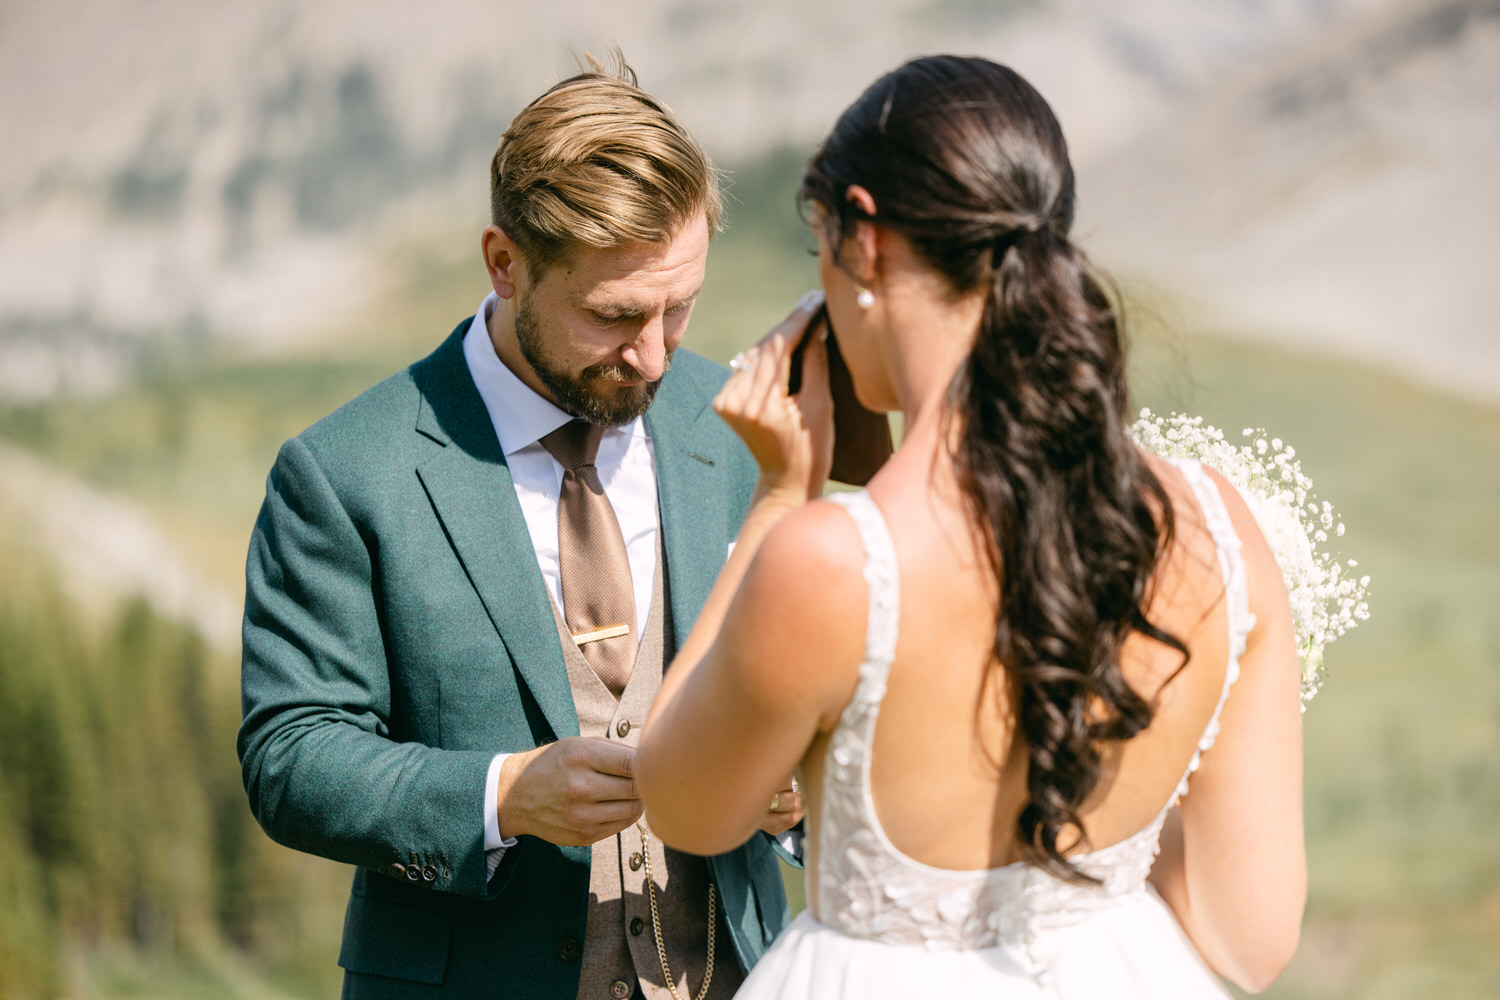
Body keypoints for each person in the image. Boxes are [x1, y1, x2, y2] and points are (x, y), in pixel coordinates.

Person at [634, 55, 1306, 997]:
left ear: (862, 240)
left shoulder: (833, 561)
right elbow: (1249, 939)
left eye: (821, 244)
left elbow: (683, 805)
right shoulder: (1218, 529)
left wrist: (783, 495)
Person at [237, 56, 799, 1000]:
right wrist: (503, 796)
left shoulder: (737, 424)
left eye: (679, 306)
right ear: (505, 264)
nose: (656, 355)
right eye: (613, 315)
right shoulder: (343, 472)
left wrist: (793, 794)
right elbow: (290, 755)